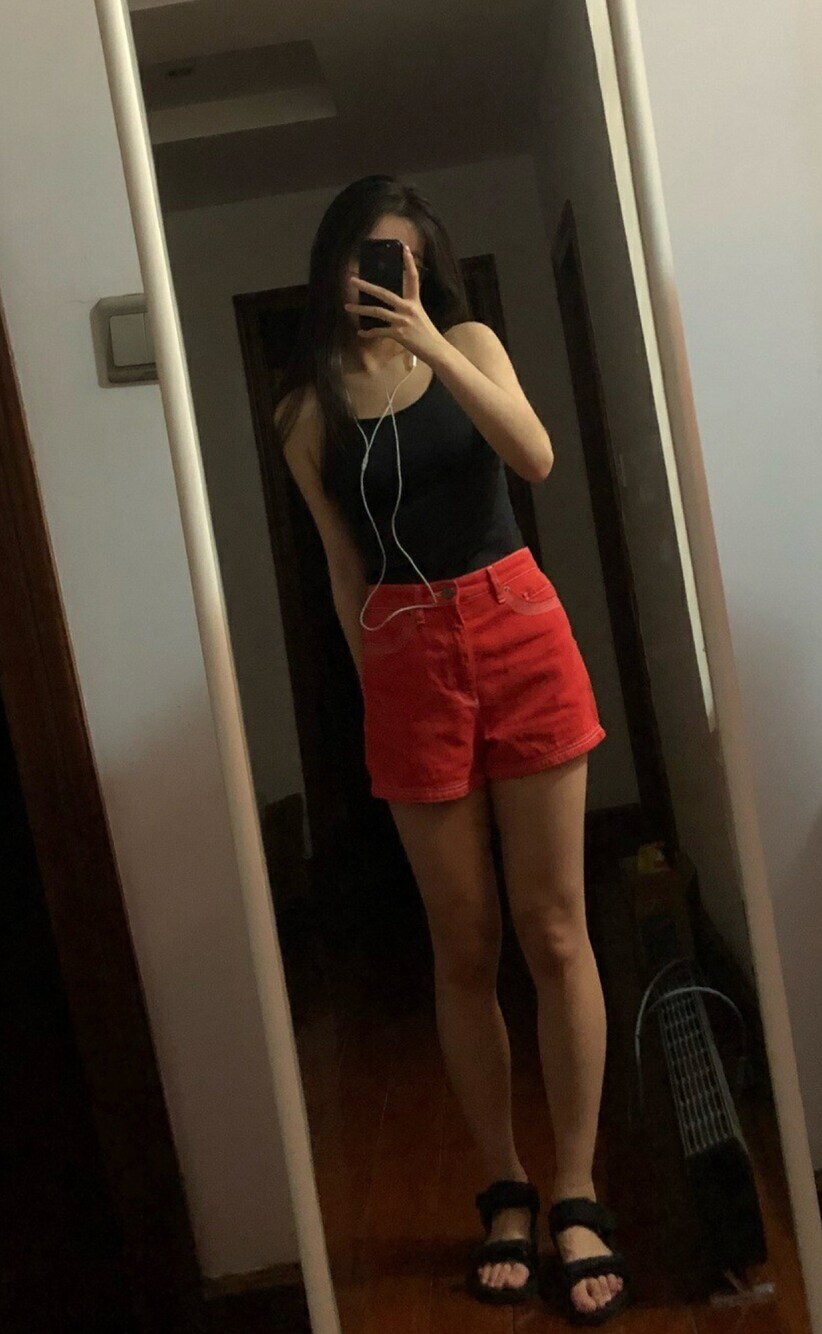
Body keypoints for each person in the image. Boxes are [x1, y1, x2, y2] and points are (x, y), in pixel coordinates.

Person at [275, 175, 632, 1324]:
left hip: (516, 624)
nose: (380, 276)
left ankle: (575, 1186)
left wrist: (431, 340)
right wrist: (374, 685)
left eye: (401, 257)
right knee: (464, 940)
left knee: (555, 924)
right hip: (404, 659)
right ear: (331, 267)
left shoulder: (469, 343)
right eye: (362, 257)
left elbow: (534, 459)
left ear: (427, 266)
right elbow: (343, 565)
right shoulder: (305, 414)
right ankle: (505, 1187)